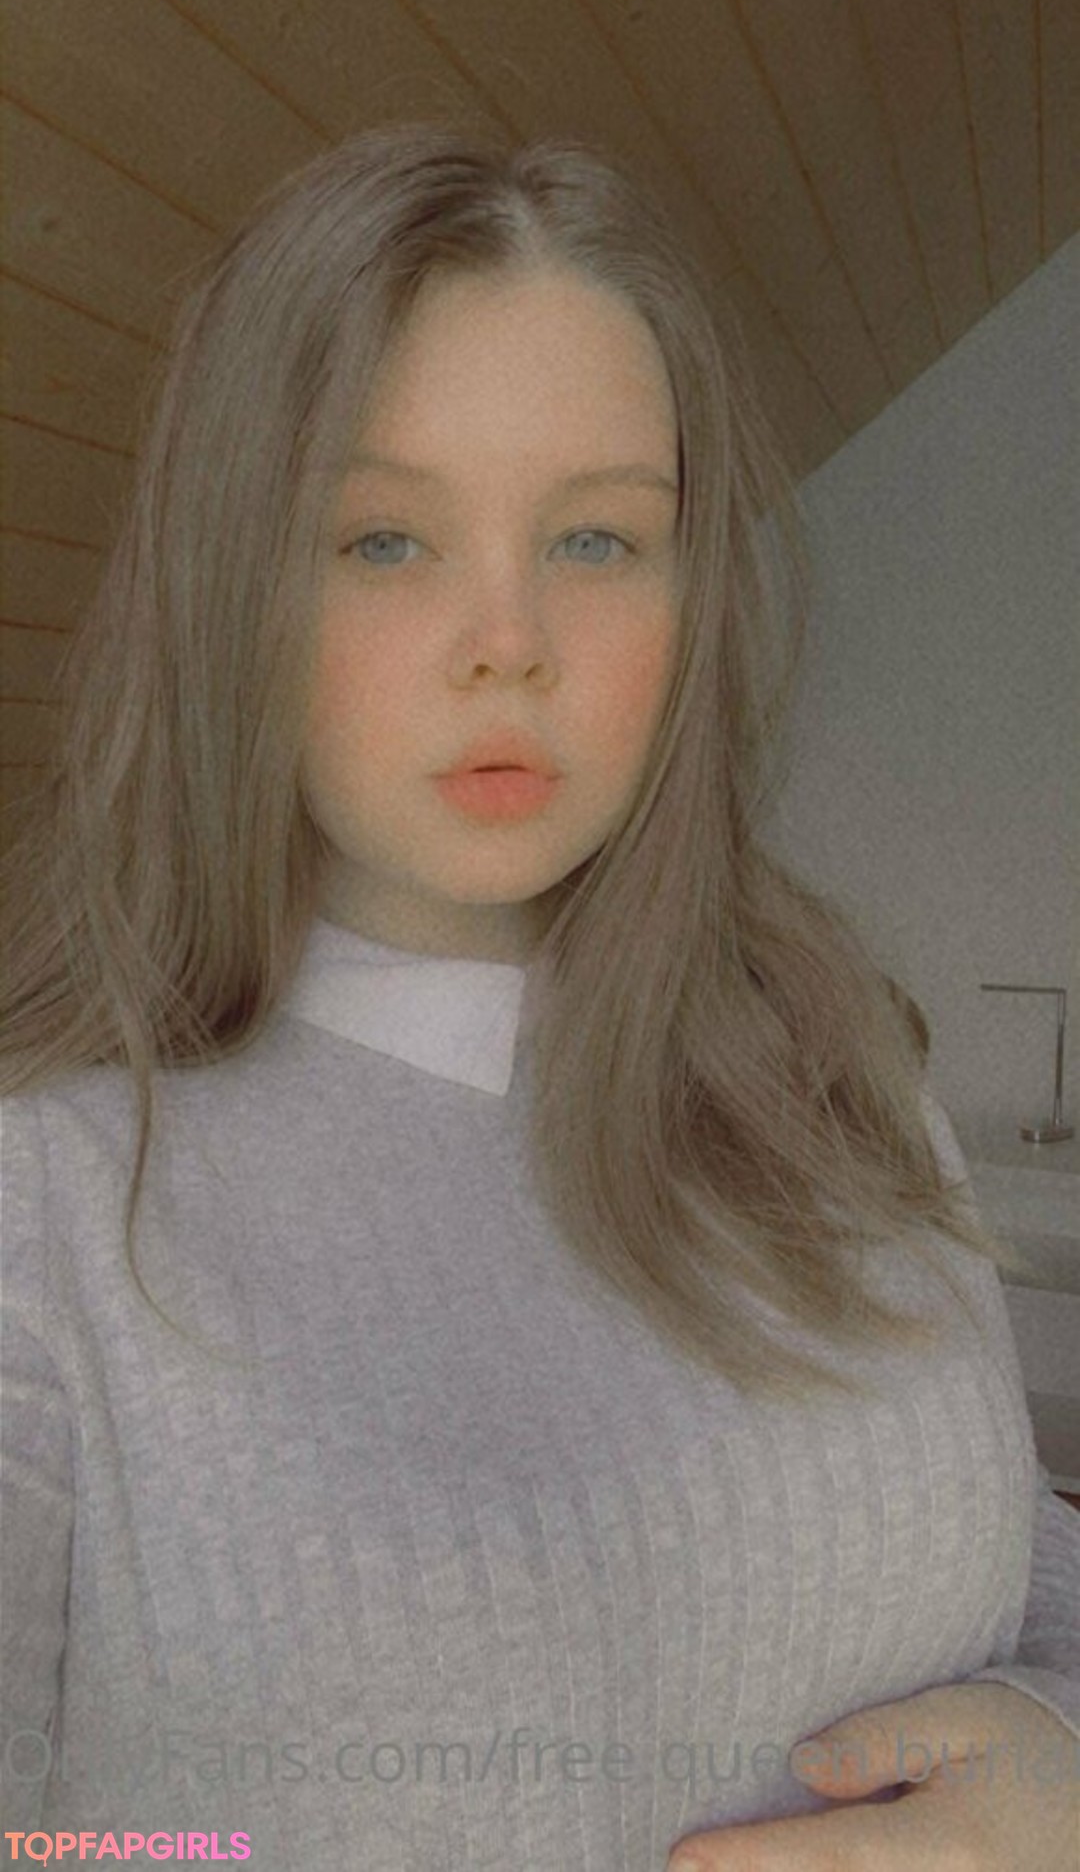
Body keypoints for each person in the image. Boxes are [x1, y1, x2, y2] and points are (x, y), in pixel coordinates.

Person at [1, 121, 1076, 1872]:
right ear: (230, 580)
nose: (509, 639)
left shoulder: (841, 1075)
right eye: (383, 540)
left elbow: (1010, 1550)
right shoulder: (47, 1209)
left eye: (594, 540)